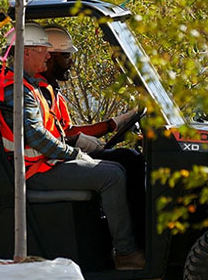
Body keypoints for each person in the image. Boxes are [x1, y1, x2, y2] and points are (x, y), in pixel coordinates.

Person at [0, 23, 145, 270]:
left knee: (122, 161)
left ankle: (126, 242)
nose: (49, 55)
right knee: (112, 175)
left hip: (45, 164)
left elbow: (55, 132)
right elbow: (37, 137)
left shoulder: (29, 86)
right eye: (44, 50)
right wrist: (75, 153)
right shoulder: (18, 89)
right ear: (26, 52)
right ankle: (126, 254)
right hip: (34, 171)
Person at [40, 24, 147, 235]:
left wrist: (113, 124)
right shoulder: (38, 91)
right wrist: (80, 140)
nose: (71, 62)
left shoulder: (51, 88)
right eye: (66, 55)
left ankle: (140, 230)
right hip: (47, 165)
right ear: (49, 56)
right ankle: (130, 244)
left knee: (129, 158)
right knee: (119, 169)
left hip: (57, 159)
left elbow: (67, 129)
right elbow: (59, 136)